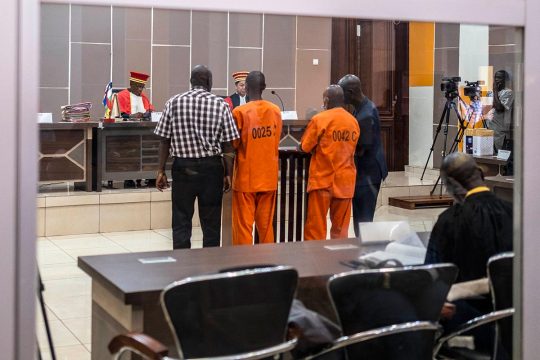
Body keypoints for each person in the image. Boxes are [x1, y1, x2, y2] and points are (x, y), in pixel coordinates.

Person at [425, 152, 513, 354]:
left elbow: (431, 279)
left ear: (451, 186)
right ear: (480, 176)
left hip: (471, 325)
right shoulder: (514, 213)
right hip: (515, 319)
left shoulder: (449, 221)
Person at [154, 65, 239, 249]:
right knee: (211, 223)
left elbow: (164, 140)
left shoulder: (173, 102)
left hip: (183, 168)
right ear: (209, 82)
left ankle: (183, 264)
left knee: (181, 218)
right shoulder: (221, 104)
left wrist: (160, 170)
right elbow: (228, 145)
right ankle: (209, 264)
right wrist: (228, 174)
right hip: (211, 170)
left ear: (191, 82)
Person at [301, 85, 359, 240]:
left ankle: (315, 262)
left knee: (316, 230)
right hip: (345, 182)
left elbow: (305, 147)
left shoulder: (320, 119)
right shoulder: (353, 122)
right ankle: (337, 261)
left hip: (323, 181)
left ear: (326, 100)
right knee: (341, 232)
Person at [230, 71, 282, 245]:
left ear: (247, 87)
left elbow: (234, 144)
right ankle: (268, 264)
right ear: (264, 88)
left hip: (246, 178)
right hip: (268, 177)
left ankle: (244, 265)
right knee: (266, 228)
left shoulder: (239, 112)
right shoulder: (275, 111)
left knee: (244, 227)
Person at [338, 75, 388, 235]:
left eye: (342, 93)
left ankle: (365, 255)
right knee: (361, 219)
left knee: (363, 221)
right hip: (366, 172)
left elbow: (361, 148)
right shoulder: (362, 107)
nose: (340, 97)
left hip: (368, 174)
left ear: (351, 92)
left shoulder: (365, 114)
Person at [486, 70, 514, 152]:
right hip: (489, 129)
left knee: (498, 157)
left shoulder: (508, 92)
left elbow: (499, 108)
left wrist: (495, 90)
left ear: (505, 80)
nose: (496, 79)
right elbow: (485, 108)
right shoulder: (491, 92)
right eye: (495, 77)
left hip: (500, 132)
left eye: (499, 77)